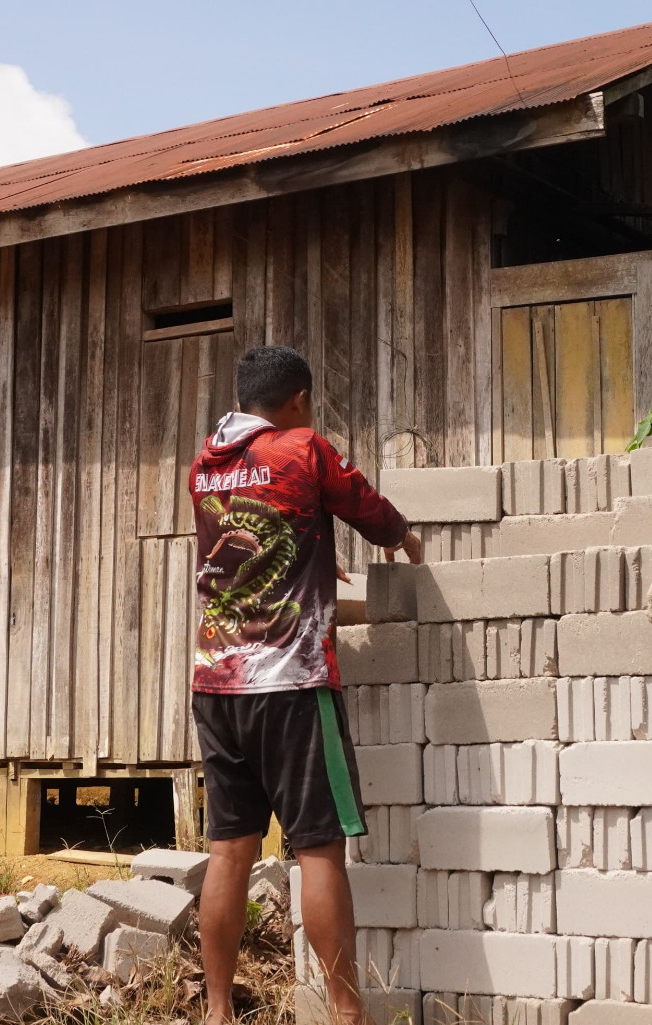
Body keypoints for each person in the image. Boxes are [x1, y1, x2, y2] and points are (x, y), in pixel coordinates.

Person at [188, 345, 422, 1025]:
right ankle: (347, 1013)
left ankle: (218, 1011)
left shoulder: (206, 464)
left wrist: (313, 557)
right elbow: (369, 509)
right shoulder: (303, 449)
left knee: (229, 851)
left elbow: (246, 540)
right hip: (291, 683)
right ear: (297, 400)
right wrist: (405, 538)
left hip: (216, 683)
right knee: (319, 850)